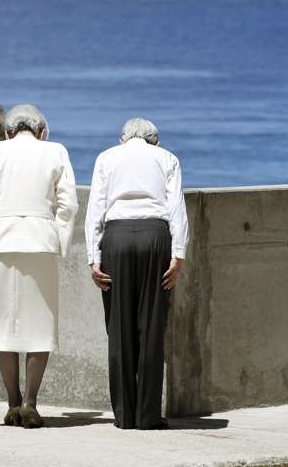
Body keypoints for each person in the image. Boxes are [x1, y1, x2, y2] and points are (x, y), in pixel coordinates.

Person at [0, 104, 78, 428]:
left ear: (8, 131)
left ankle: (12, 402)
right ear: (42, 131)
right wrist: (60, 241)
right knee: (39, 324)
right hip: (40, 240)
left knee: (1, 324)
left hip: (0, 240)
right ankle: (31, 402)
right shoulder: (55, 151)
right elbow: (68, 204)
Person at [85, 117, 189, 430]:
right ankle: (147, 415)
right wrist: (178, 255)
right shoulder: (167, 158)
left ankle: (124, 415)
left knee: (119, 329)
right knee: (151, 327)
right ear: (154, 140)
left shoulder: (106, 158)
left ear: (123, 138)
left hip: (116, 238)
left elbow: (95, 210)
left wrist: (94, 257)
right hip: (155, 237)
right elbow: (177, 210)